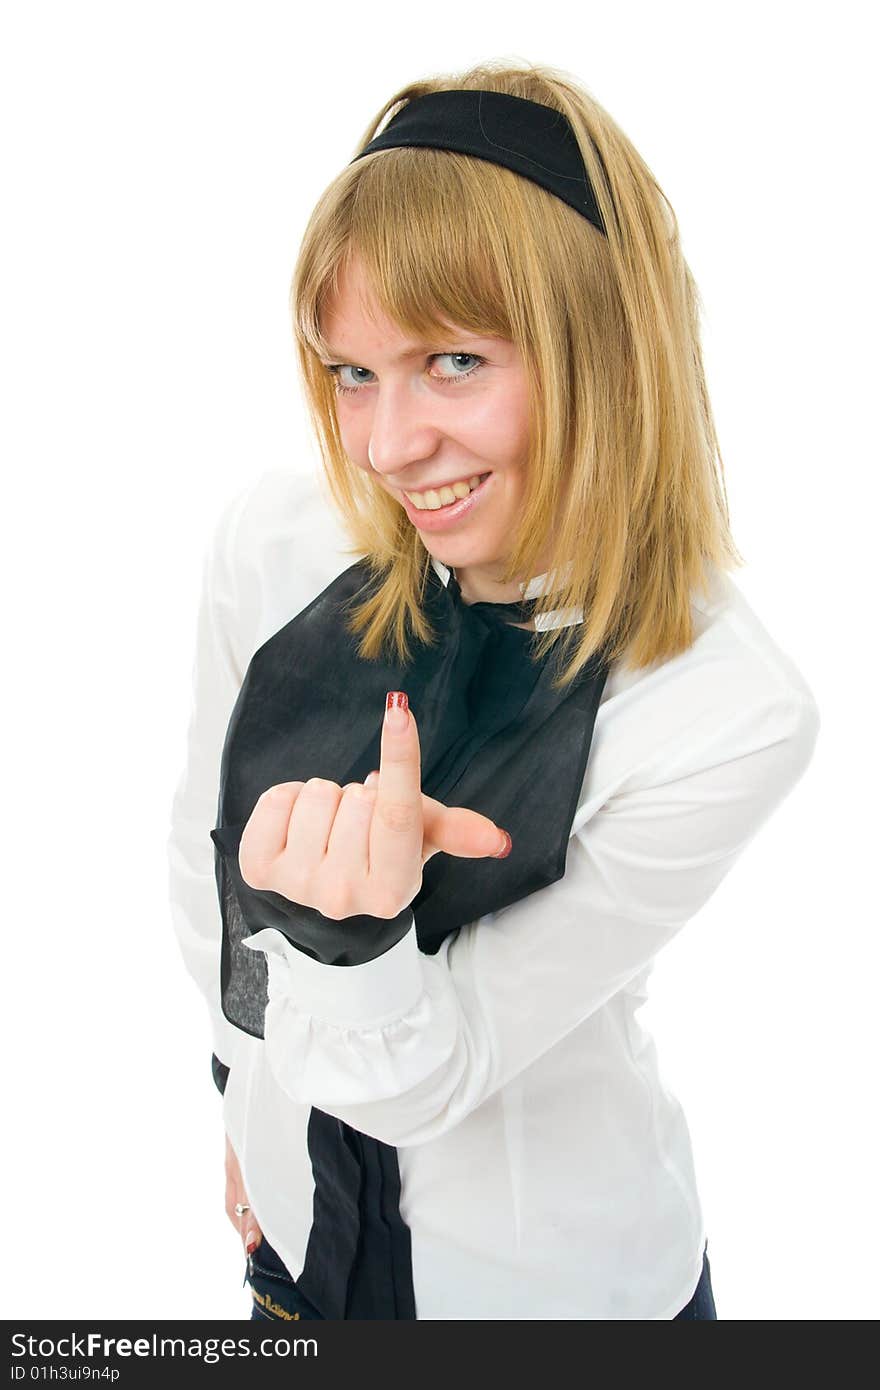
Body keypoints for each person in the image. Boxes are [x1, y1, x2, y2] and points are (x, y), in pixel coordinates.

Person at [167, 60, 820, 1321]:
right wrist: (241, 1093)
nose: (386, 444)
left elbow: (434, 1070)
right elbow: (204, 862)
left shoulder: (725, 705)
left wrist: (355, 938)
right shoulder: (277, 541)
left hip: (555, 1293)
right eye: (351, 371)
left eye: (452, 361)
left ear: (605, 354)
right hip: (295, 1264)